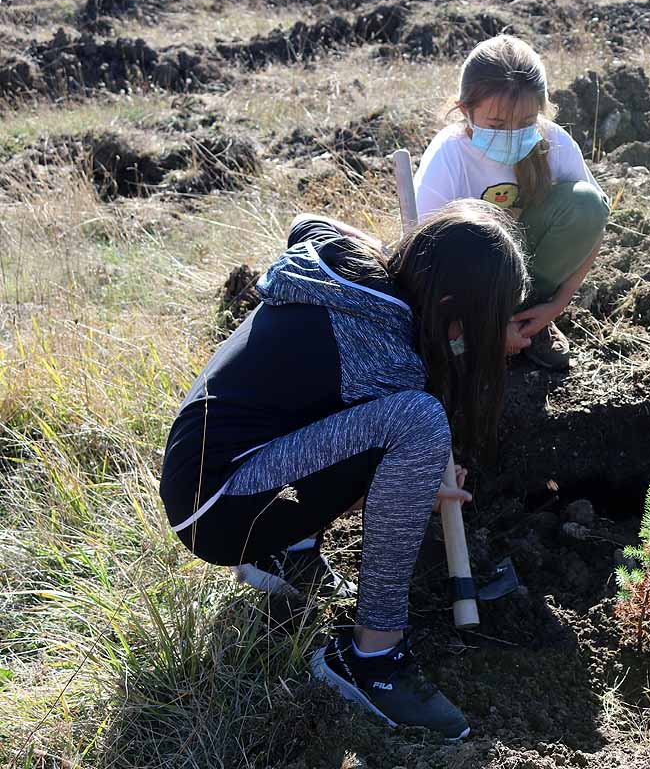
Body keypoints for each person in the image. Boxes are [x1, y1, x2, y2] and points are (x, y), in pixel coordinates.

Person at [158, 200, 529, 739]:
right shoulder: (386, 354)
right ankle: (372, 658)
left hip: (202, 472)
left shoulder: (337, 259)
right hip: (221, 510)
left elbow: (306, 223)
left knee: (353, 417)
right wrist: (416, 484)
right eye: (487, 320)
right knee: (421, 424)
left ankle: (289, 550)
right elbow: (398, 448)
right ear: (450, 304)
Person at [414, 34, 610, 370]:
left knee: (586, 202)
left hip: (528, 278)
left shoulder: (553, 142)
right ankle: (481, 333)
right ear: (465, 110)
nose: (511, 135)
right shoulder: (449, 155)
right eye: (496, 124)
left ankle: (529, 323)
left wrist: (557, 305)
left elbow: (594, 221)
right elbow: (424, 261)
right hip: (465, 287)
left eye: (525, 124)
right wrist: (477, 320)